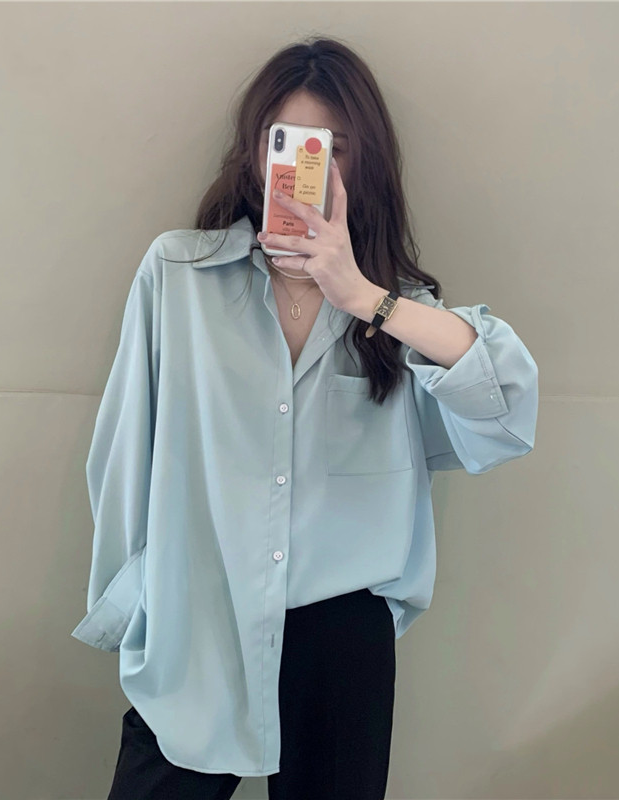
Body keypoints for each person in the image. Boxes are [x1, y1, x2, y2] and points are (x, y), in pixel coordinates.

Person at [71, 36, 539, 800]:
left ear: (364, 163)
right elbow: (124, 451)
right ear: (256, 152)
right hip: (200, 610)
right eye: (286, 142)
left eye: (334, 148)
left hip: (341, 633)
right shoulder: (180, 274)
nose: (306, 167)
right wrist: (138, 603)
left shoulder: (397, 312)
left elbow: (509, 412)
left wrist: (363, 296)